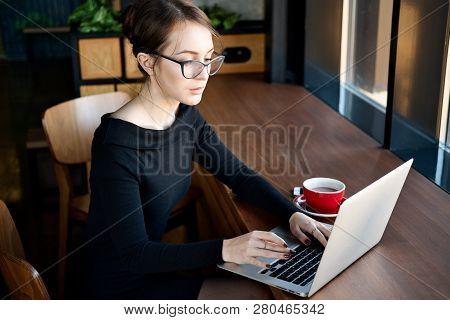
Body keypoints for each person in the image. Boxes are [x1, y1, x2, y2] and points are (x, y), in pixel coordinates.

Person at [83, 0, 331, 300]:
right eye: (189, 61)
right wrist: (227, 248)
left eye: (209, 59)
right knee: (262, 298)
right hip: (119, 289)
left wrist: (292, 214)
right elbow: (136, 254)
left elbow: (238, 175)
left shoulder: (184, 114)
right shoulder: (116, 148)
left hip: (160, 268)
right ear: (147, 61)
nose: (203, 74)